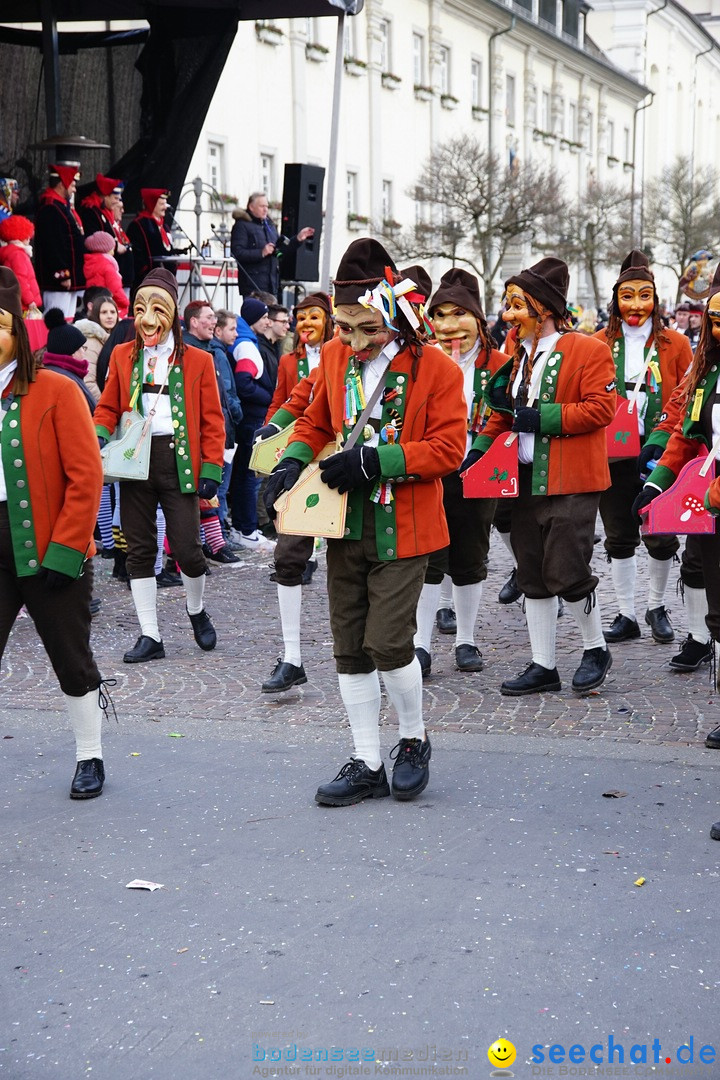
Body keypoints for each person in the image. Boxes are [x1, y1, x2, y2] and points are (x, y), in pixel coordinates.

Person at [264, 238, 467, 806]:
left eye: (366, 329)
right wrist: (289, 464)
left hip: (407, 527)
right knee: (350, 648)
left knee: (388, 643)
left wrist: (379, 460)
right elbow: (313, 420)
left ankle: (412, 739)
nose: (353, 342)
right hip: (344, 525)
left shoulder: (439, 369)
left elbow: (449, 449)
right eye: (345, 328)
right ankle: (365, 758)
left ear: (395, 316)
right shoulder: (331, 357)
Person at [465, 257, 617, 697]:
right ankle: (543, 664)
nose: (507, 314)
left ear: (543, 309)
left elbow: (600, 409)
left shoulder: (589, 349)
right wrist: (476, 454)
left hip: (573, 479)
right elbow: (500, 415)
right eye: (507, 304)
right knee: (531, 572)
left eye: (516, 305)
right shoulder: (516, 355)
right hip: (525, 479)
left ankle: (595, 647)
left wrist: (541, 417)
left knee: (566, 570)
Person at [0, 266, 107, 798]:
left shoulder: (57, 391)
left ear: (18, 330)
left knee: (70, 655)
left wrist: (67, 549)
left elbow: (87, 476)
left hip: (48, 540)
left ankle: (90, 756)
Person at [94, 267, 226, 662]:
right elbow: (108, 406)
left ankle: (196, 609)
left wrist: (212, 469)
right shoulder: (122, 355)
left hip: (178, 459)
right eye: (139, 308)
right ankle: (150, 634)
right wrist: (99, 435)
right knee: (139, 550)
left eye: (157, 308)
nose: (147, 318)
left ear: (172, 314)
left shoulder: (198, 360)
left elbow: (212, 421)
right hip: (136, 461)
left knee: (188, 550)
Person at [634, 269, 720, 758]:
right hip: (708, 498)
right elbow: (685, 430)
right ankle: (697, 635)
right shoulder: (707, 370)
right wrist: (656, 484)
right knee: (706, 581)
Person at [413, 268, 508, 676]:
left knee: (470, 557)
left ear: (479, 319)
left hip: (478, 471)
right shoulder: (421, 358)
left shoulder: (501, 364)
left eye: (459, 315)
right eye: (441, 315)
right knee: (428, 559)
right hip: (431, 472)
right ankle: (420, 644)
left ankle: (466, 639)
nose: (450, 326)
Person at [596, 250, 692, 645]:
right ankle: (626, 612)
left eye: (644, 295)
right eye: (628, 296)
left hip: (659, 451)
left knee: (660, 530)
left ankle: (656, 604)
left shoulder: (677, 345)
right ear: (616, 300)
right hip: (611, 452)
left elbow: (689, 396)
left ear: (656, 298)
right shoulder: (598, 343)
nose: (636, 305)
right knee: (619, 533)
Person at [255, 290, 334, 693]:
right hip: (301, 459)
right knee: (288, 555)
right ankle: (291, 658)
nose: (306, 325)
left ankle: (394, 652)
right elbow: (291, 400)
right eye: (300, 318)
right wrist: (269, 434)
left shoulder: (346, 354)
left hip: (352, 468)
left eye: (314, 318)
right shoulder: (296, 362)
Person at [181, 300, 241, 565]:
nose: (214, 322)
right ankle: (195, 551)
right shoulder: (185, 351)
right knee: (198, 494)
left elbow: (224, 392)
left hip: (220, 427)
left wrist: (232, 414)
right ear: (193, 321)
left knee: (214, 489)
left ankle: (215, 543)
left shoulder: (212, 350)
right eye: (208, 317)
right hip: (195, 433)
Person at [230, 296, 277, 550]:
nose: (268, 321)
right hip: (251, 418)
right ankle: (247, 529)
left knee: (243, 475)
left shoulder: (248, 340)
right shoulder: (247, 344)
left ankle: (241, 527)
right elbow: (244, 383)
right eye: (264, 317)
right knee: (249, 475)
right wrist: (269, 397)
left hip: (248, 417)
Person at [230, 192, 314, 298]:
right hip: (253, 286)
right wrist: (261, 252)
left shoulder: (270, 225)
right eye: (262, 206)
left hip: (272, 285)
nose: (266, 209)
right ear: (251, 207)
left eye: (267, 206)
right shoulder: (241, 225)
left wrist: (298, 239)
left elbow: (279, 252)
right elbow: (237, 252)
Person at [33, 161, 85, 319]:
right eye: (73, 184)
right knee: (56, 322)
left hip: (68, 279)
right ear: (63, 183)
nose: (75, 189)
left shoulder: (60, 207)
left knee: (68, 321)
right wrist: (62, 274)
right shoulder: (50, 208)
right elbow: (53, 246)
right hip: (58, 281)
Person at [209, 309, 244, 543]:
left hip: (225, 424)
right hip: (225, 427)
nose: (236, 334)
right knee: (221, 485)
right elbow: (227, 392)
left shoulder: (221, 351)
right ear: (218, 330)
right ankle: (219, 536)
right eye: (232, 329)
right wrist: (237, 413)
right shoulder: (218, 354)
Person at [79, 173, 133, 288]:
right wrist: (115, 246)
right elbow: (94, 241)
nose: (117, 202)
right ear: (105, 196)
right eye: (115, 198)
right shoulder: (91, 212)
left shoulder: (105, 212)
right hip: (102, 273)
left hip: (114, 271)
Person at [127, 189, 177, 288]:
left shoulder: (164, 226)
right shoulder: (139, 224)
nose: (165, 207)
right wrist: (145, 271)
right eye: (161, 204)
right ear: (152, 204)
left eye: (165, 204)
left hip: (165, 277)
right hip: (147, 278)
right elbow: (138, 253)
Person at [75, 297, 118, 403]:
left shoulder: (112, 337)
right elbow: (88, 381)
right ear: (96, 314)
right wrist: (104, 405)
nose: (109, 316)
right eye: (104, 312)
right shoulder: (91, 340)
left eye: (113, 312)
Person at [0, 215, 41, 312]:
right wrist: (30, 301)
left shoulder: (11, 253)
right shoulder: (18, 255)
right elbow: (21, 280)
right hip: (22, 305)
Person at [83, 232, 129, 317]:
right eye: (112, 248)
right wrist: (126, 302)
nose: (113, 251)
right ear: (105, 248)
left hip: (96, 302)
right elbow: (115, 289)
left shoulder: (91, 262)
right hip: (111, 303)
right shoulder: (107, 266)